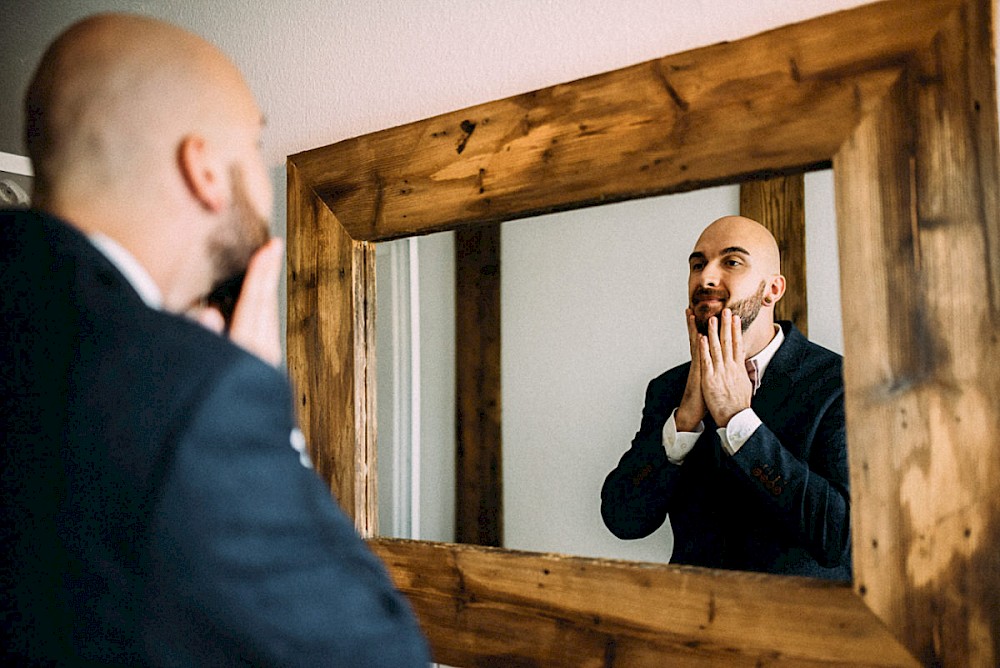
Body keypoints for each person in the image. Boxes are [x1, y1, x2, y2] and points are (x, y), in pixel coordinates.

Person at [0, 13, 430, 665]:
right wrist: (261, 415)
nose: (259, 188)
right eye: (253, 151)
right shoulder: (191, 392)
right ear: (202, 168)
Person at [601, 215, 850, 581]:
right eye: (698, 264)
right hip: (689, 623)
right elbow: (623, 519)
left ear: (773, 289)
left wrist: (740, 422)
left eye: (732, 262)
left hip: (803, 627)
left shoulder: (840, 384)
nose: (706, 278)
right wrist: (682, 426)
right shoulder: (668, 389)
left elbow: (839, 538)